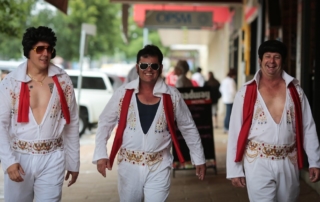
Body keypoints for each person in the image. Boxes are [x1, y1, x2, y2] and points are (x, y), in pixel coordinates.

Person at [93, 45, 206, 202]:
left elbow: (187, 127)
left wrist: (198, 158)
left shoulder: (172, 95)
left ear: (160, 67)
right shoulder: (123, 93)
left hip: (159, 165)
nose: (149, 69)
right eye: (144, 65)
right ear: (137, 67)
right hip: (128, 165)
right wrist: (100, 154)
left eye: (154, 65)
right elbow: (105, 122)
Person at [226, 40, 320, 202]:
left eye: (276, 57)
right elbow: (235, 132)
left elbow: (308, 127)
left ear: (282, 60)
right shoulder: (246, 93)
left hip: (288, 160)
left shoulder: (295, 91)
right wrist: (235, 170)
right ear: (260, 60)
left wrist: (314, 161)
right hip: (257, 161)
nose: (271, 61)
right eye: (267, 56)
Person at [0, 26, 80, 201]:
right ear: (29, 50)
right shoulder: (11, 82)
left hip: (53, 157)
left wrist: (73, 162)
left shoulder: (63, 80)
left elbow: (72, 121)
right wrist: (8, 161)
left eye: (49, 49)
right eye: (39, 49)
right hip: (19, 158)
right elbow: (1, 124)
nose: (45, 54)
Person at [219, 68, 237, 133]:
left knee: (227, 113)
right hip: (230, 99)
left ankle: (226, 127)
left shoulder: (224, 80)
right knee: (229, 114)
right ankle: (227, 127)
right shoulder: (231, 81)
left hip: (225, 99)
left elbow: (220, 89)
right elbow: (233, 91)